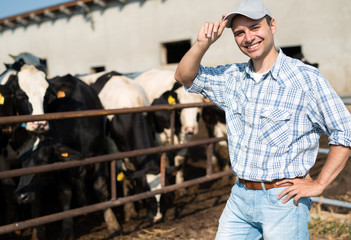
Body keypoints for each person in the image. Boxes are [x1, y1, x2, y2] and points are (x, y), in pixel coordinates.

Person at [174, 0, 351, 239]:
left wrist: (320, 184)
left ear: (272, 26)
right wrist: (202, 44)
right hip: (240, 196)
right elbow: (185, 76)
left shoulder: (305, 79)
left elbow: (344, 130)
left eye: (255, 27)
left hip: (283, 200)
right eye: (239, 32)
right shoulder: (232, 78)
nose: (248, 37)